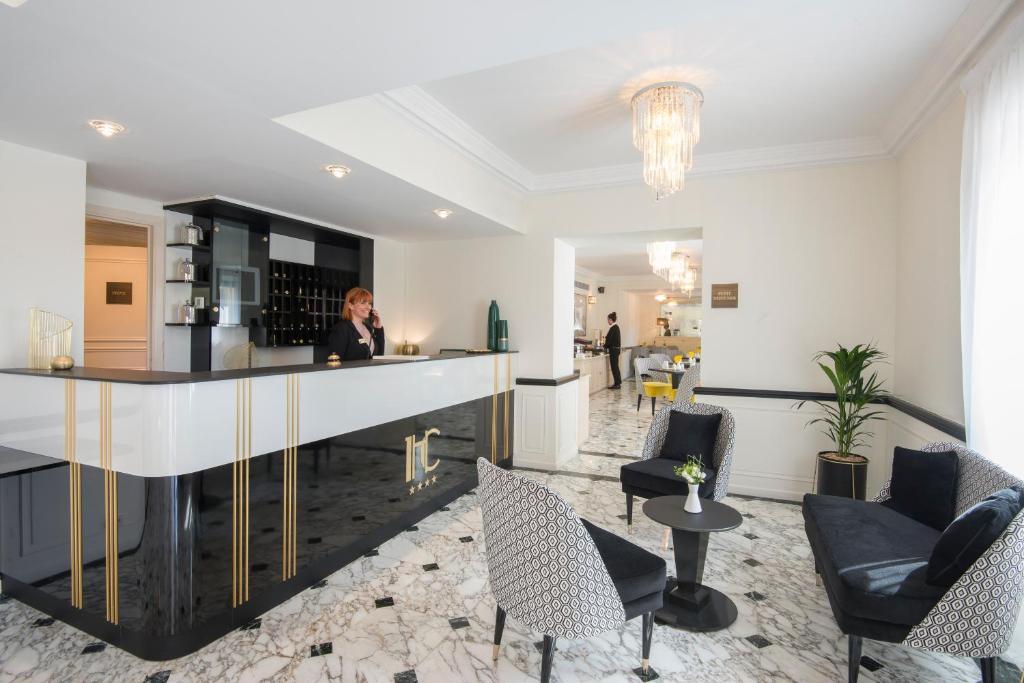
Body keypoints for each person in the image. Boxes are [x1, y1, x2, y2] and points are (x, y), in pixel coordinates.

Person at [328, 287, 385, 361]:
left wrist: (378, 329)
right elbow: (334, 361)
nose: (368, 307)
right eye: (363, 303)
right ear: (351, 306)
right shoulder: (342, 329)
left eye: (369, 303)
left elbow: (379, 356)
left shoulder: (369, 328)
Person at [606, 312, 622, 389]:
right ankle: (618, 382)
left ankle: (617, 384)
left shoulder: (613, 328)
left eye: (608, 320)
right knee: (616, 367)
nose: (607, 321)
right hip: (616, 350)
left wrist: (604, 346)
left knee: (614, 367)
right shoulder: (616, 327)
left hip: (614, 350)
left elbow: (609, 340)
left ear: (611, 319)